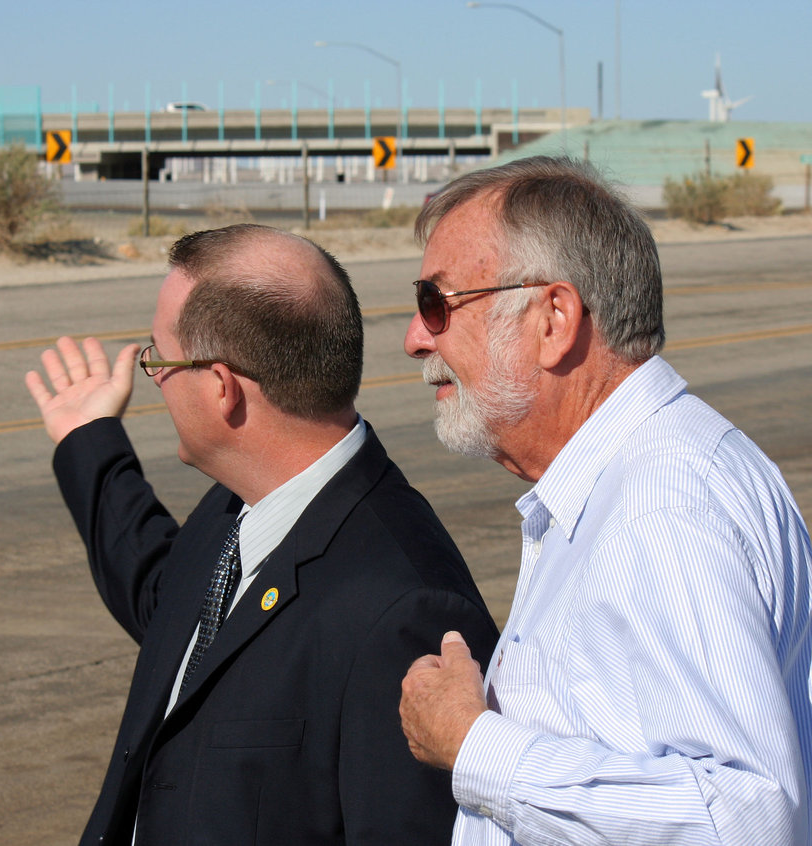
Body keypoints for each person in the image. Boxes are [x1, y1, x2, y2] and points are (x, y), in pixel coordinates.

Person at [24, 223, 499, 845]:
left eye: (158, 361)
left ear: (221, 388)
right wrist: (89, 444)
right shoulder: (240, 509)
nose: (154, 379)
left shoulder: (401, 609)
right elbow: (169, 606)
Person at [397, 156, 812, 845]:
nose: (416, 338)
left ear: (554, 318)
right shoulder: (630, 480)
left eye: (438, 303)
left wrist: (475, 746)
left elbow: (743, 815)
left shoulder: (663, 504)